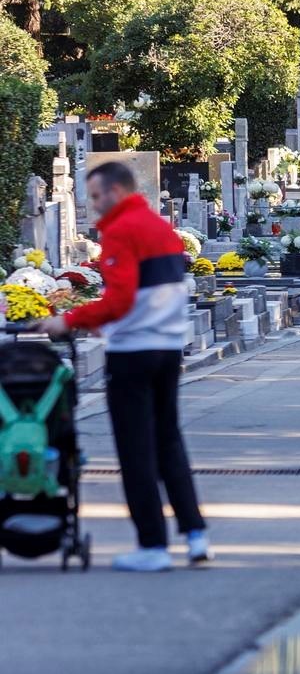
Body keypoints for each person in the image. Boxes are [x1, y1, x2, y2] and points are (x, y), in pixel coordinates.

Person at [40, 161, 209, 572]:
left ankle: (152, 545)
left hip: (134, 352)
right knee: (168, 440)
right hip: (168, 346)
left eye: (96, 196)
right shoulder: (161, 229)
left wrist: (69, 319)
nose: (94, 206)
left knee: (135, 449)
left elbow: (121, 299)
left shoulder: (121, 229)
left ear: (115, 192)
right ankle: (195, 534)